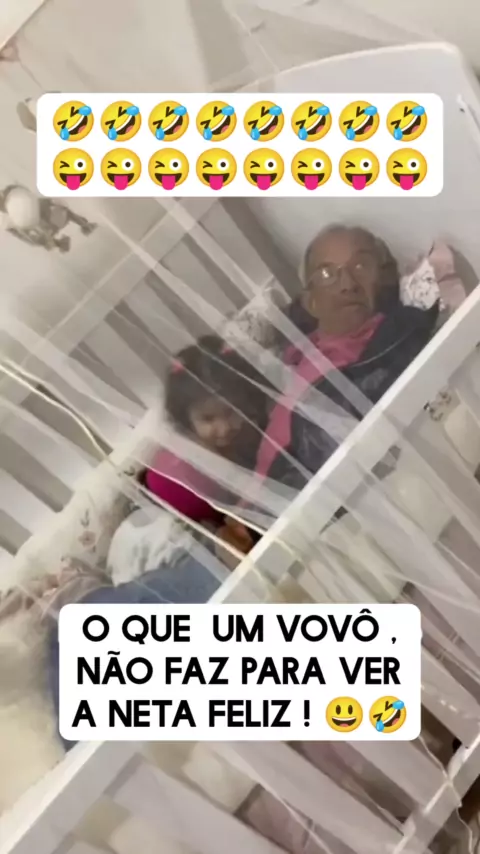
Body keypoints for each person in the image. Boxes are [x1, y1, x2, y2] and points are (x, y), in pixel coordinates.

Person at [255, 224, 439, 490]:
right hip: (255, 497)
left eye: (361, 266)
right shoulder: (295, 351)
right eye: (327, 273)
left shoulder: (383, 351)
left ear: (384, 278)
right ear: (310, 301)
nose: (348, 284)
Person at [145, 334, 270, 552]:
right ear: (187, 421)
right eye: (208, 419)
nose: (224, 427)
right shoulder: (191, 465)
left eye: (230, 411)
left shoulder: (252, 427)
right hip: (181, 513)